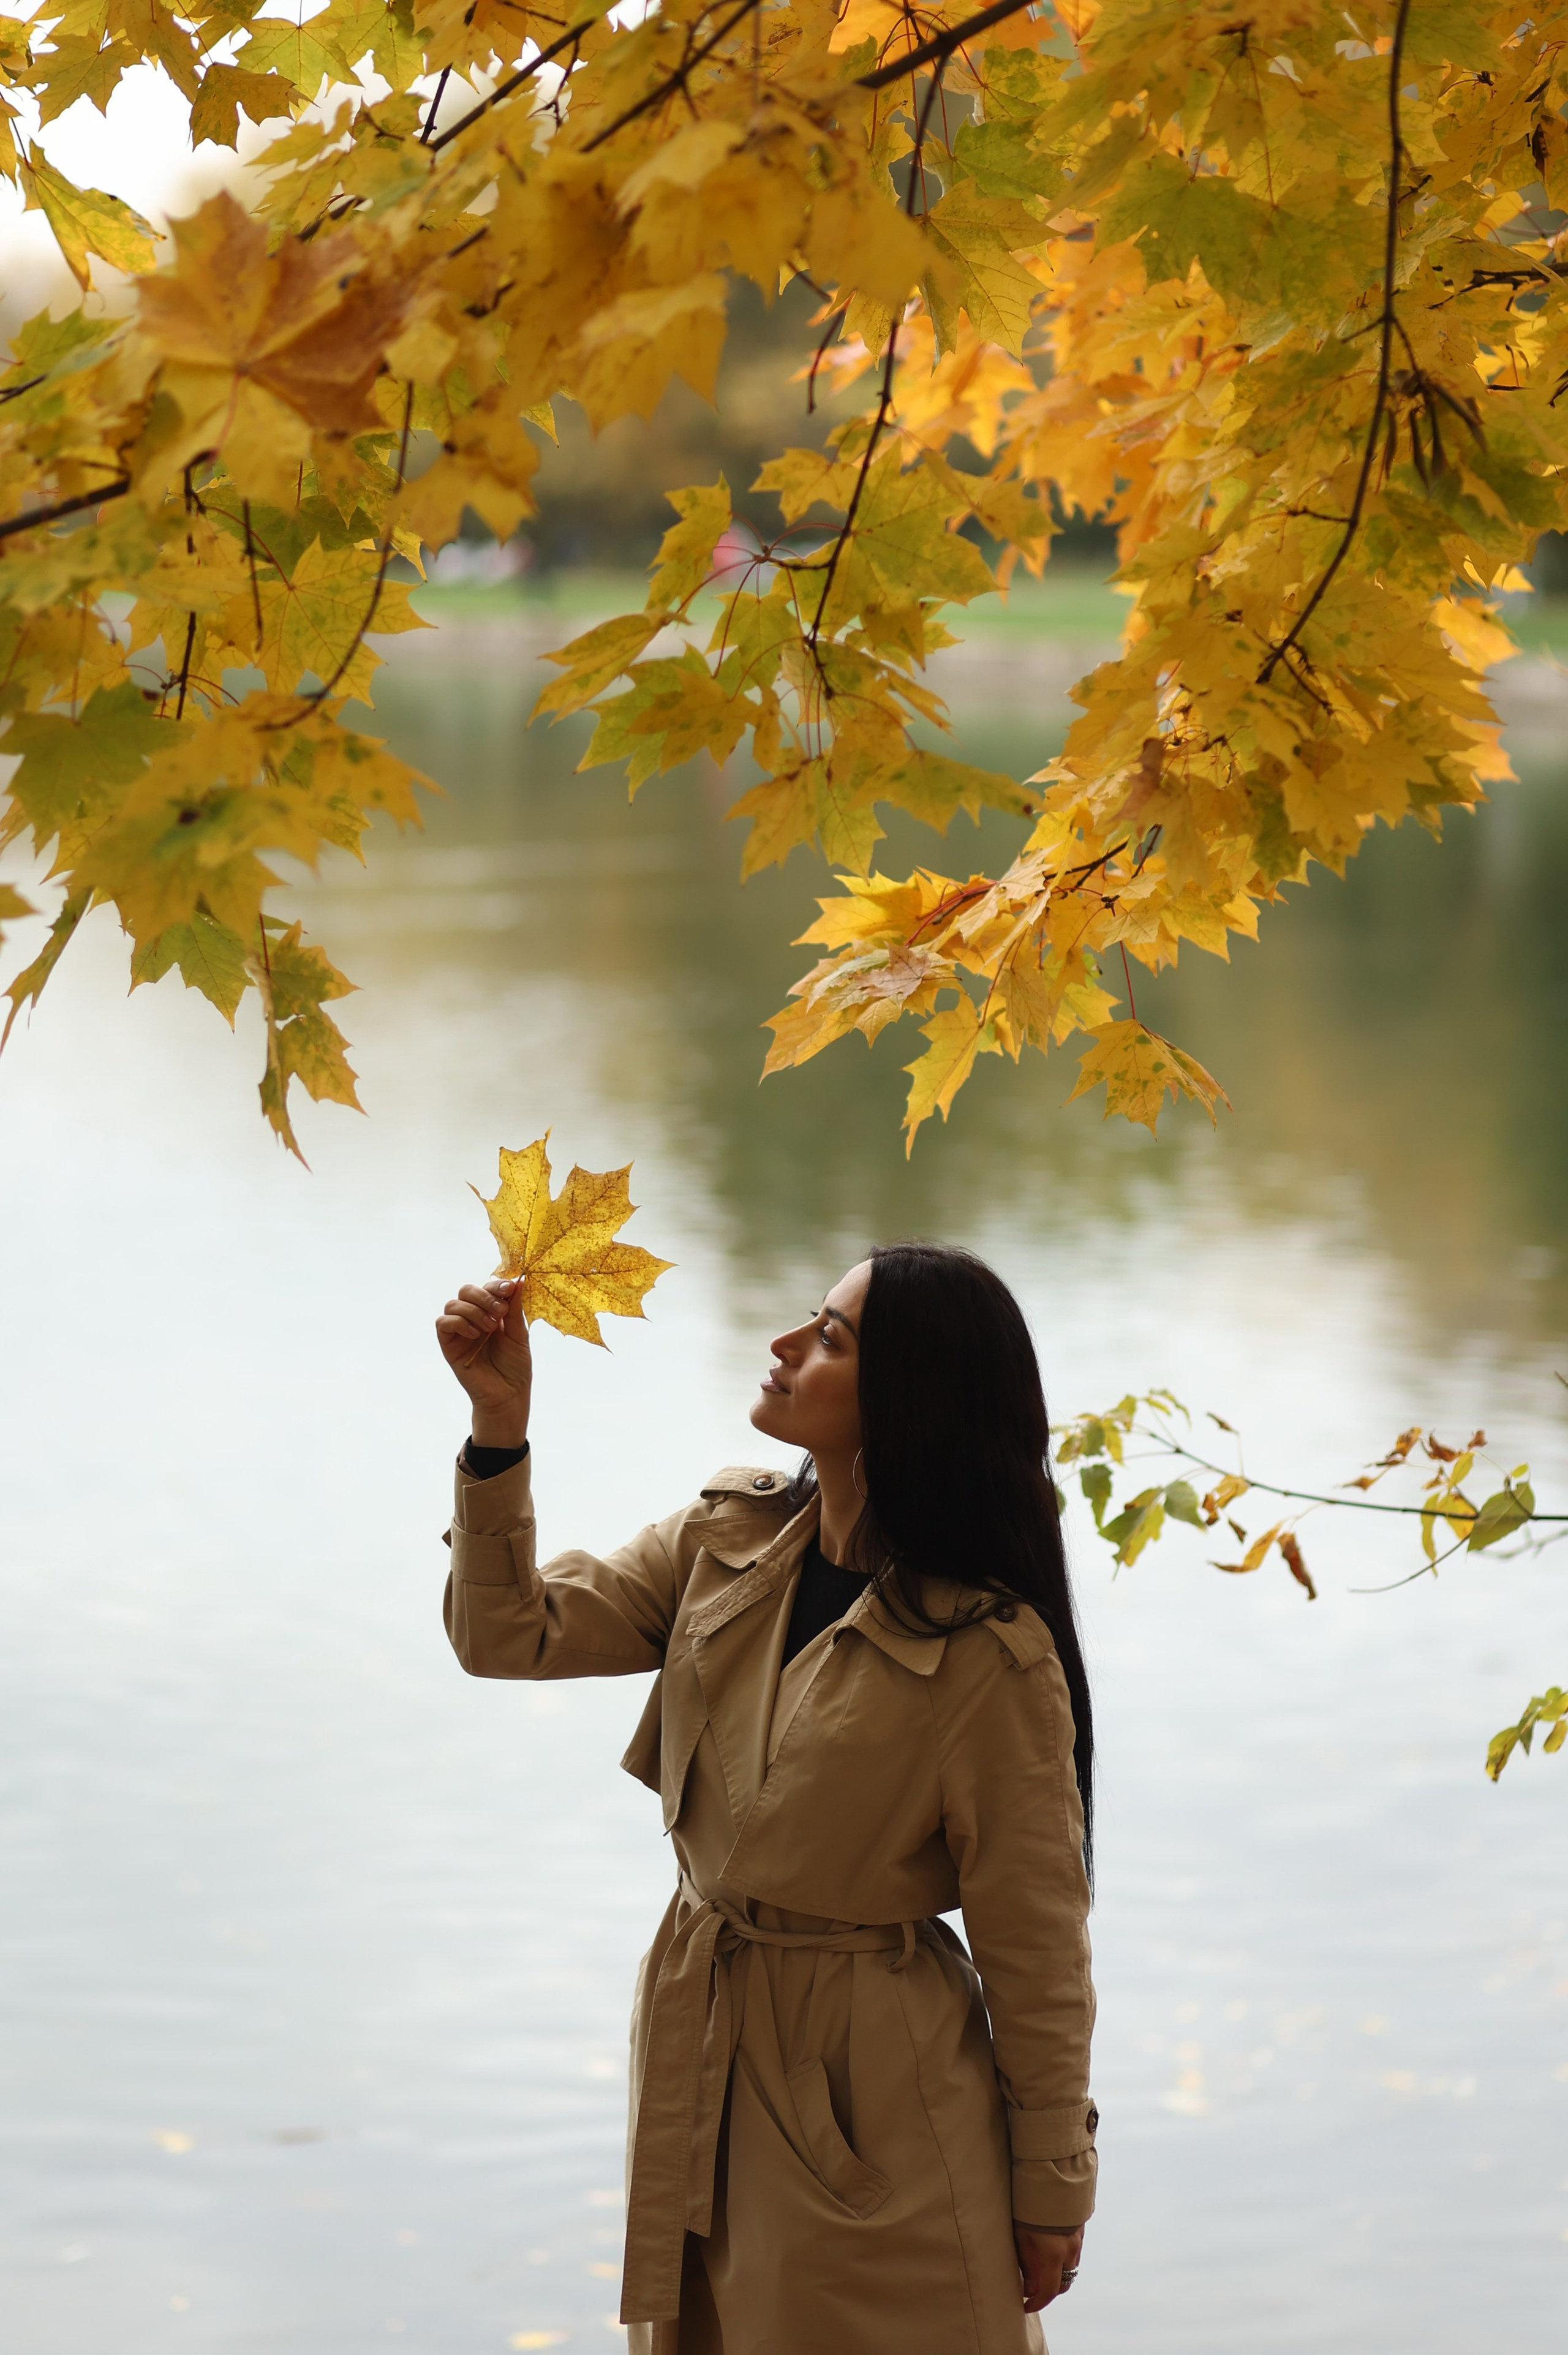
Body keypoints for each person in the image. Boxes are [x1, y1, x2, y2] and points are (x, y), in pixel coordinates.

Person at [437, 1240, 1098, 2355]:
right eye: (810, 1317)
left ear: (910, 1398)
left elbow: (1035, 1944)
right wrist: (498, 1428)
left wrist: (1052, 2185)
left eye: (832, 1338)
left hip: (874, 2085)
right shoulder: (726, 1541)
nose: (789, 1346)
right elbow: (506, 1634)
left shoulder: (990, 1651)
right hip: (701, 2039)